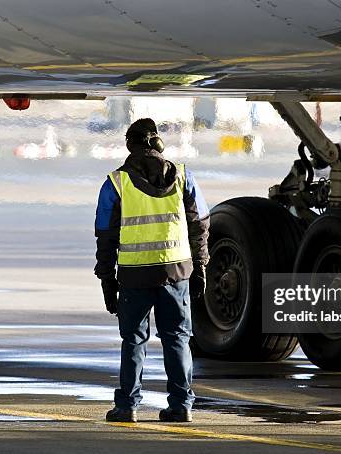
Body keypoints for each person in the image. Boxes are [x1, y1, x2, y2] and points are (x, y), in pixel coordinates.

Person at [94, 118, 209, 423]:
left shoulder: (116, 183)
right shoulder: (185, 176)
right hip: (176, 272)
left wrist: (106, 278)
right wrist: (200, 266)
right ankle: (182, 405)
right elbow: (200, 224)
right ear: (157, 143)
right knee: (178, 338)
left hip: (135, 275)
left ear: (130, 145)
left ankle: (127, 406)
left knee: (133, 339)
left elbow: (105, 234)